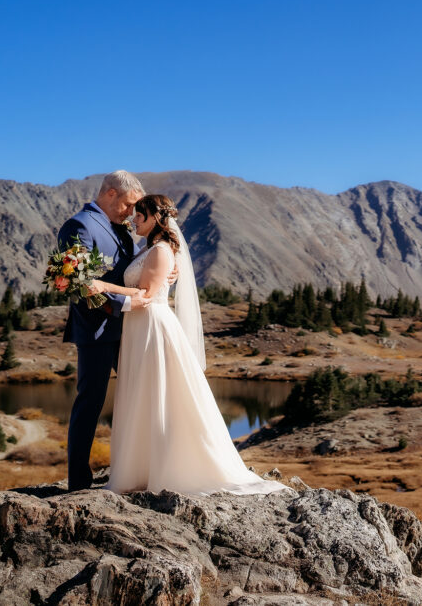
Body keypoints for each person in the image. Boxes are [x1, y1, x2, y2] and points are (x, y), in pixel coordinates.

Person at [87, 194, 287, 496]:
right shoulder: (150, 249)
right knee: (143, 395)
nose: (133, 220)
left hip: (153, 325)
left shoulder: (161, 251)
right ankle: (141, 469)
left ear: (155, 217)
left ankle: (168, 471)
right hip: (139, 327)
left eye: (139, 215)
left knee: (159, 394)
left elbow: (148, 293)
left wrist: (102, 285)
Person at [58, 171, 150, 492]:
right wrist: (125, 304)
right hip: (96, 331)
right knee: (90, 404)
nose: (131, 213)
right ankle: (78, 483)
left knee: (141, 398)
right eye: (128, 204)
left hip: (131, 331)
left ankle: (139, 469)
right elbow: (77, 282)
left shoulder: (123, 231)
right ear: (110, 194)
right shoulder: (79, 225)